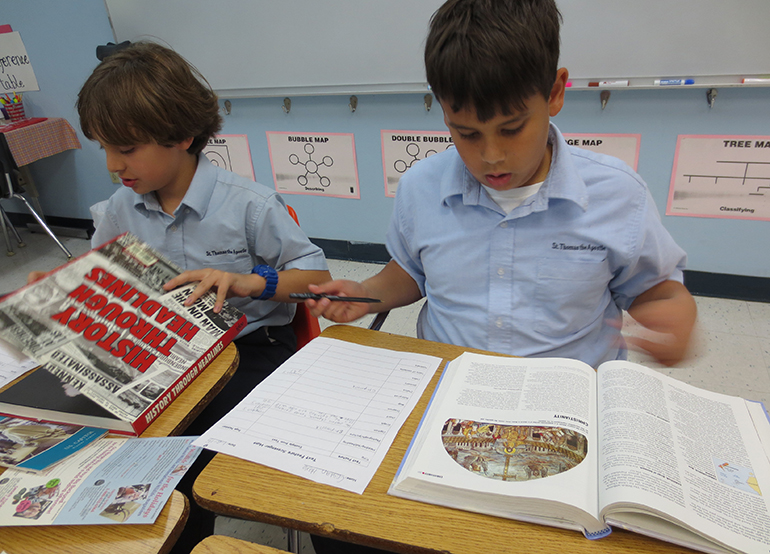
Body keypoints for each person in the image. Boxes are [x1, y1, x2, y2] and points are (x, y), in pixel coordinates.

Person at [34, 41, 331, 553]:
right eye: (103, 148)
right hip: (156, 355)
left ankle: (181, 535)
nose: (112, 165)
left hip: (248, 352)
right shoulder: (118, 209)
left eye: (126, 149)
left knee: (181, 452)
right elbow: (99, 284)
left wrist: (252, 281)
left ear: (182, 137)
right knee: (65, 424)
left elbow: (316, 276)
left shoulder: (250, 205)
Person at [308, 0, 697, 372]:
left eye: (511, 129)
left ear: (555, 93)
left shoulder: (617, 193)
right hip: (449, 384)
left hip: (565, 399)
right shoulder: (420, 188)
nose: (491, 155)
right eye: (466, 133)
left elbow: (660, 290)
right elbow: (412, 271)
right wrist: (365, 293)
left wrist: (672, 320)